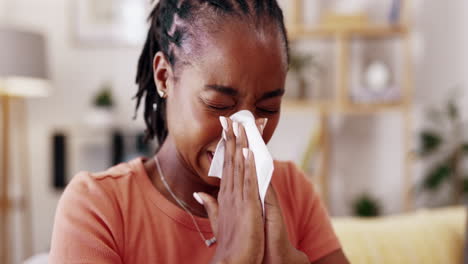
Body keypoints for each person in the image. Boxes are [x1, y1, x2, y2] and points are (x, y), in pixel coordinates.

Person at [49, 0, 349, 263]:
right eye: (218, 104)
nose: (243, 132)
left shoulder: (293, 191)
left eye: (268, 108)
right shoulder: (99, 207)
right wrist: (232, 259)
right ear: (165, 77)